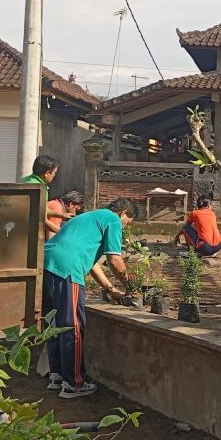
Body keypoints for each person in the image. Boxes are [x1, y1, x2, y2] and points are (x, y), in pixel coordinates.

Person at [42, 197, 138, 399]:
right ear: (123, 214)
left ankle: (57, 374)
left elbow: (91, 263)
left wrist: (111, 289)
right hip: (68, 269)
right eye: (128, 223)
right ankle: (73, 384)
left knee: (52, 323)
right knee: (72, 326)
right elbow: (114, 259)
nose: (125, 228)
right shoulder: (112, 220)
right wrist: (130, 285)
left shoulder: (88, 217)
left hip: (47, 263)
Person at [20, 154, 71, 237]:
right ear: (47, 173)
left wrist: (61, 215)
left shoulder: (25, 180)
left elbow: (41, 210)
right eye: (54, 173)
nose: (54, 176)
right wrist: (64, 233)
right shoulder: (39, 189)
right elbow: (41, 219)